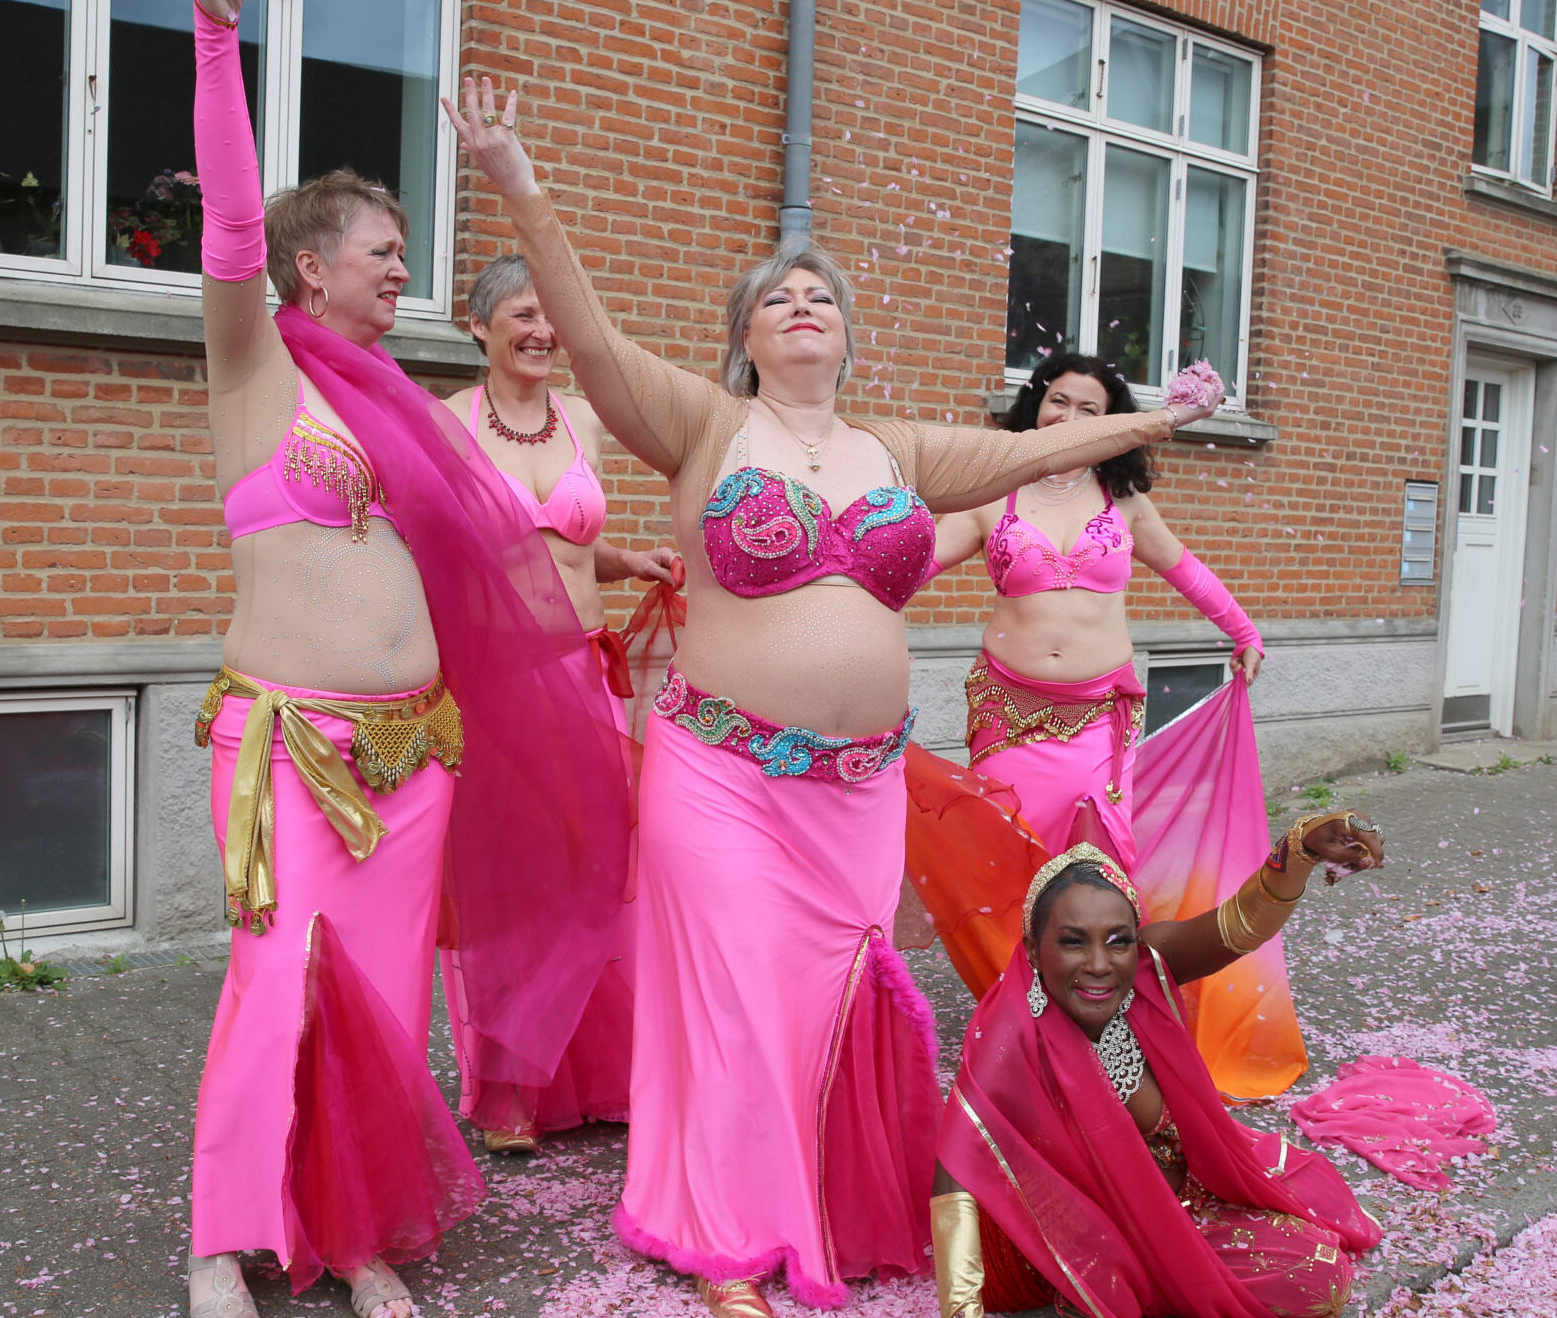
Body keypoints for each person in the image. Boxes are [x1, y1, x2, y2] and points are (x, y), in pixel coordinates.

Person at [442, 79, 1222, 1317]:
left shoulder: (896, 453)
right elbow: (588, 339)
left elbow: (1034, 451)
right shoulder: (703, 424)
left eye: (822, 297)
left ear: (846, 338)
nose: (801, 305)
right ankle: (731, 1245)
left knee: (823, 1001)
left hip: (856, 794)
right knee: (742, 996)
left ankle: (807, 1192)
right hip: (721, 774)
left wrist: (1159, 417)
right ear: (746, 336)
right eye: (775, 298)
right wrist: (518, 182)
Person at [186, 8, 628, 1317]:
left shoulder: (397, 404)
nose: (403, 271)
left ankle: (354, 1229)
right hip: (290, 746)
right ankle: (223, 1237)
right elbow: (224, 220)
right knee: (277, 983)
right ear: (309, 266)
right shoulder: (254, 372)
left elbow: (488, 563)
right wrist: (218, 40)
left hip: (412, 754)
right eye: (384, 251)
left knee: (379, 1003)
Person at [930, 813, 1386, 1318]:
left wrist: (1301, 846)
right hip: (1082, 1240)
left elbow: (1242, 923)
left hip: (1185, 1198)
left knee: (1316, 1224)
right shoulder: (1011, 1032)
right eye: (1073, 941)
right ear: (1035, 951)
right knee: (1313, 1278)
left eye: (1118, 939)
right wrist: (960, 1310)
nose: (1101, 964)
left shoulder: (1147, 967)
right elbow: (956, 1174)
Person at [440, 254, 676, 1154]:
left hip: (585, 673)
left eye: (552, 317)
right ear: (479, 325)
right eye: (523, 314)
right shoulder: (447, 423)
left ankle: (602, 1072)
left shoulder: (581, 419)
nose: (543, 331)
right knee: (517, 878)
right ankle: (508, 1089)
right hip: (498, 683)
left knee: (597, 873)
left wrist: (629, 562)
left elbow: (575, 543)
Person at [929, 352, 1264, 865]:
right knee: (1011, 853)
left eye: (1090, 410)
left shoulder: (1125, 502)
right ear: (1035, 406)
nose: (1069, 418)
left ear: (1112, 425)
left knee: (1094, 864)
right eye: (1058, 401)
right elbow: (913, 567)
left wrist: (1245, 634)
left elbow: (1186, 570)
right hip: (1009, 713)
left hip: (1098, 717)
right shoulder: (990, 496)